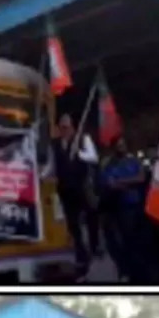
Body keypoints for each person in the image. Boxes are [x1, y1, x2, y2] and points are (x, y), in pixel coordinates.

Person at [52, 113, 101, 275]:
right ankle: (81, 253)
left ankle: (95, 245)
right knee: (73, 224)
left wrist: (79, 154)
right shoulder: (56, 144)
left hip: (82, 186)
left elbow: (94, 157)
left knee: (91, 215)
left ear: (72, 127)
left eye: (67, 127)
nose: (64, 130)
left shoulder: (83, 139)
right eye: (61, 127)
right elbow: (53, 165)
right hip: (65, 188)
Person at [98, 136, 149, 281]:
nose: (121, 147)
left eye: (123, 144)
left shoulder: (133, 161)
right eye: (118, 145)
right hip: (118, 207)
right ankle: (126, 271)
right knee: (123, 242)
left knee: (137, 242)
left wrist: (123, 181)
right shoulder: (109, 164)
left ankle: (139, 272)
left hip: (136, 206)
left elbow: (141, 178)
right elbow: (109, 183)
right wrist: (126, 183)